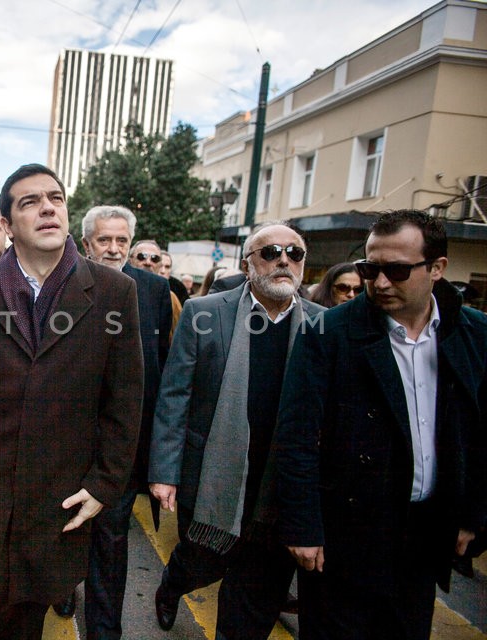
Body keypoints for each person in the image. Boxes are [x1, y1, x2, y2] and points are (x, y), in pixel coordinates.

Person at [0, 164, 144, 639]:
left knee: (26, 620)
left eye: (55, 198)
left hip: (58, 494)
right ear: (8, 226)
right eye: (30, 202)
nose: (47, 207)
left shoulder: (114, 292)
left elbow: (125, 399)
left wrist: (104, 484)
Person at [274, 210, 487, 640]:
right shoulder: (328, 332)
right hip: (344, 536)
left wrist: (472, 515)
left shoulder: (473, 335)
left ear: (438, 269)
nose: (381, 282)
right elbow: (296, 436)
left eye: (397, 270)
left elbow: (480, 434)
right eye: (371, 269)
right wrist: (303, 527)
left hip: (425, 536)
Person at [148, 222, 324, 639]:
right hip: (213, 474)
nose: (284, 260)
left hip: (280, 485)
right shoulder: (204, 313)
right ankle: (173, 586)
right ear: (248, 264)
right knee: (202, 559)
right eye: (271, 252)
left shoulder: (323, 324)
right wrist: (164, 472)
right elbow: (175, 397)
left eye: (295, 254)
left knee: (255, 591)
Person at [55, 204, 169, 637]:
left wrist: (153, 456)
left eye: (123, 240)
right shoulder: (63, 285)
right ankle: (61, 587)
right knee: (64, 530)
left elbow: (157, 372)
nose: (115, 248)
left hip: (120, 447)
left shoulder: (156, 291)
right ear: (87, 243)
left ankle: (106, 631)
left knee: (111, 542)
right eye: (105, 240)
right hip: (66, 443)